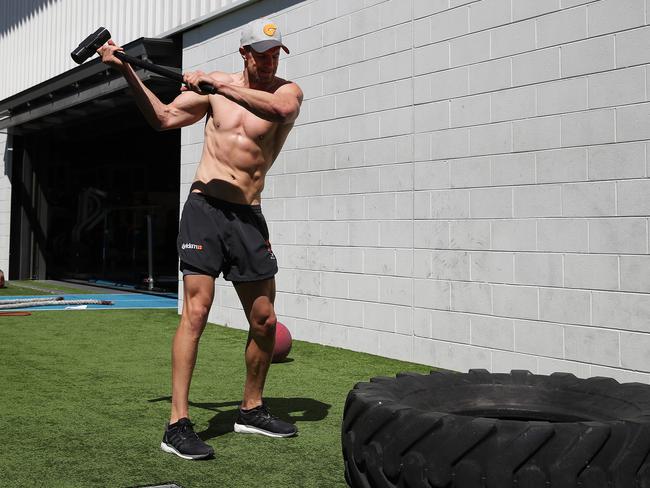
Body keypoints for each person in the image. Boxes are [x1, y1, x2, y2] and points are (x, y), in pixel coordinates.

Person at [97, 17, 303, 460]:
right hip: (205, 208)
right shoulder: (214, 88)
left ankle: (250, 409)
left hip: (248, 215)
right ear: (245, 55)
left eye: (275, 56)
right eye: (261, 56)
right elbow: (164, 118)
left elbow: (279, 112)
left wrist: (215, 85)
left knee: (265, 320)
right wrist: (127, 70)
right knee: (197, 311)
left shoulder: (286, 91)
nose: (269, 64)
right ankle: (178, 424)